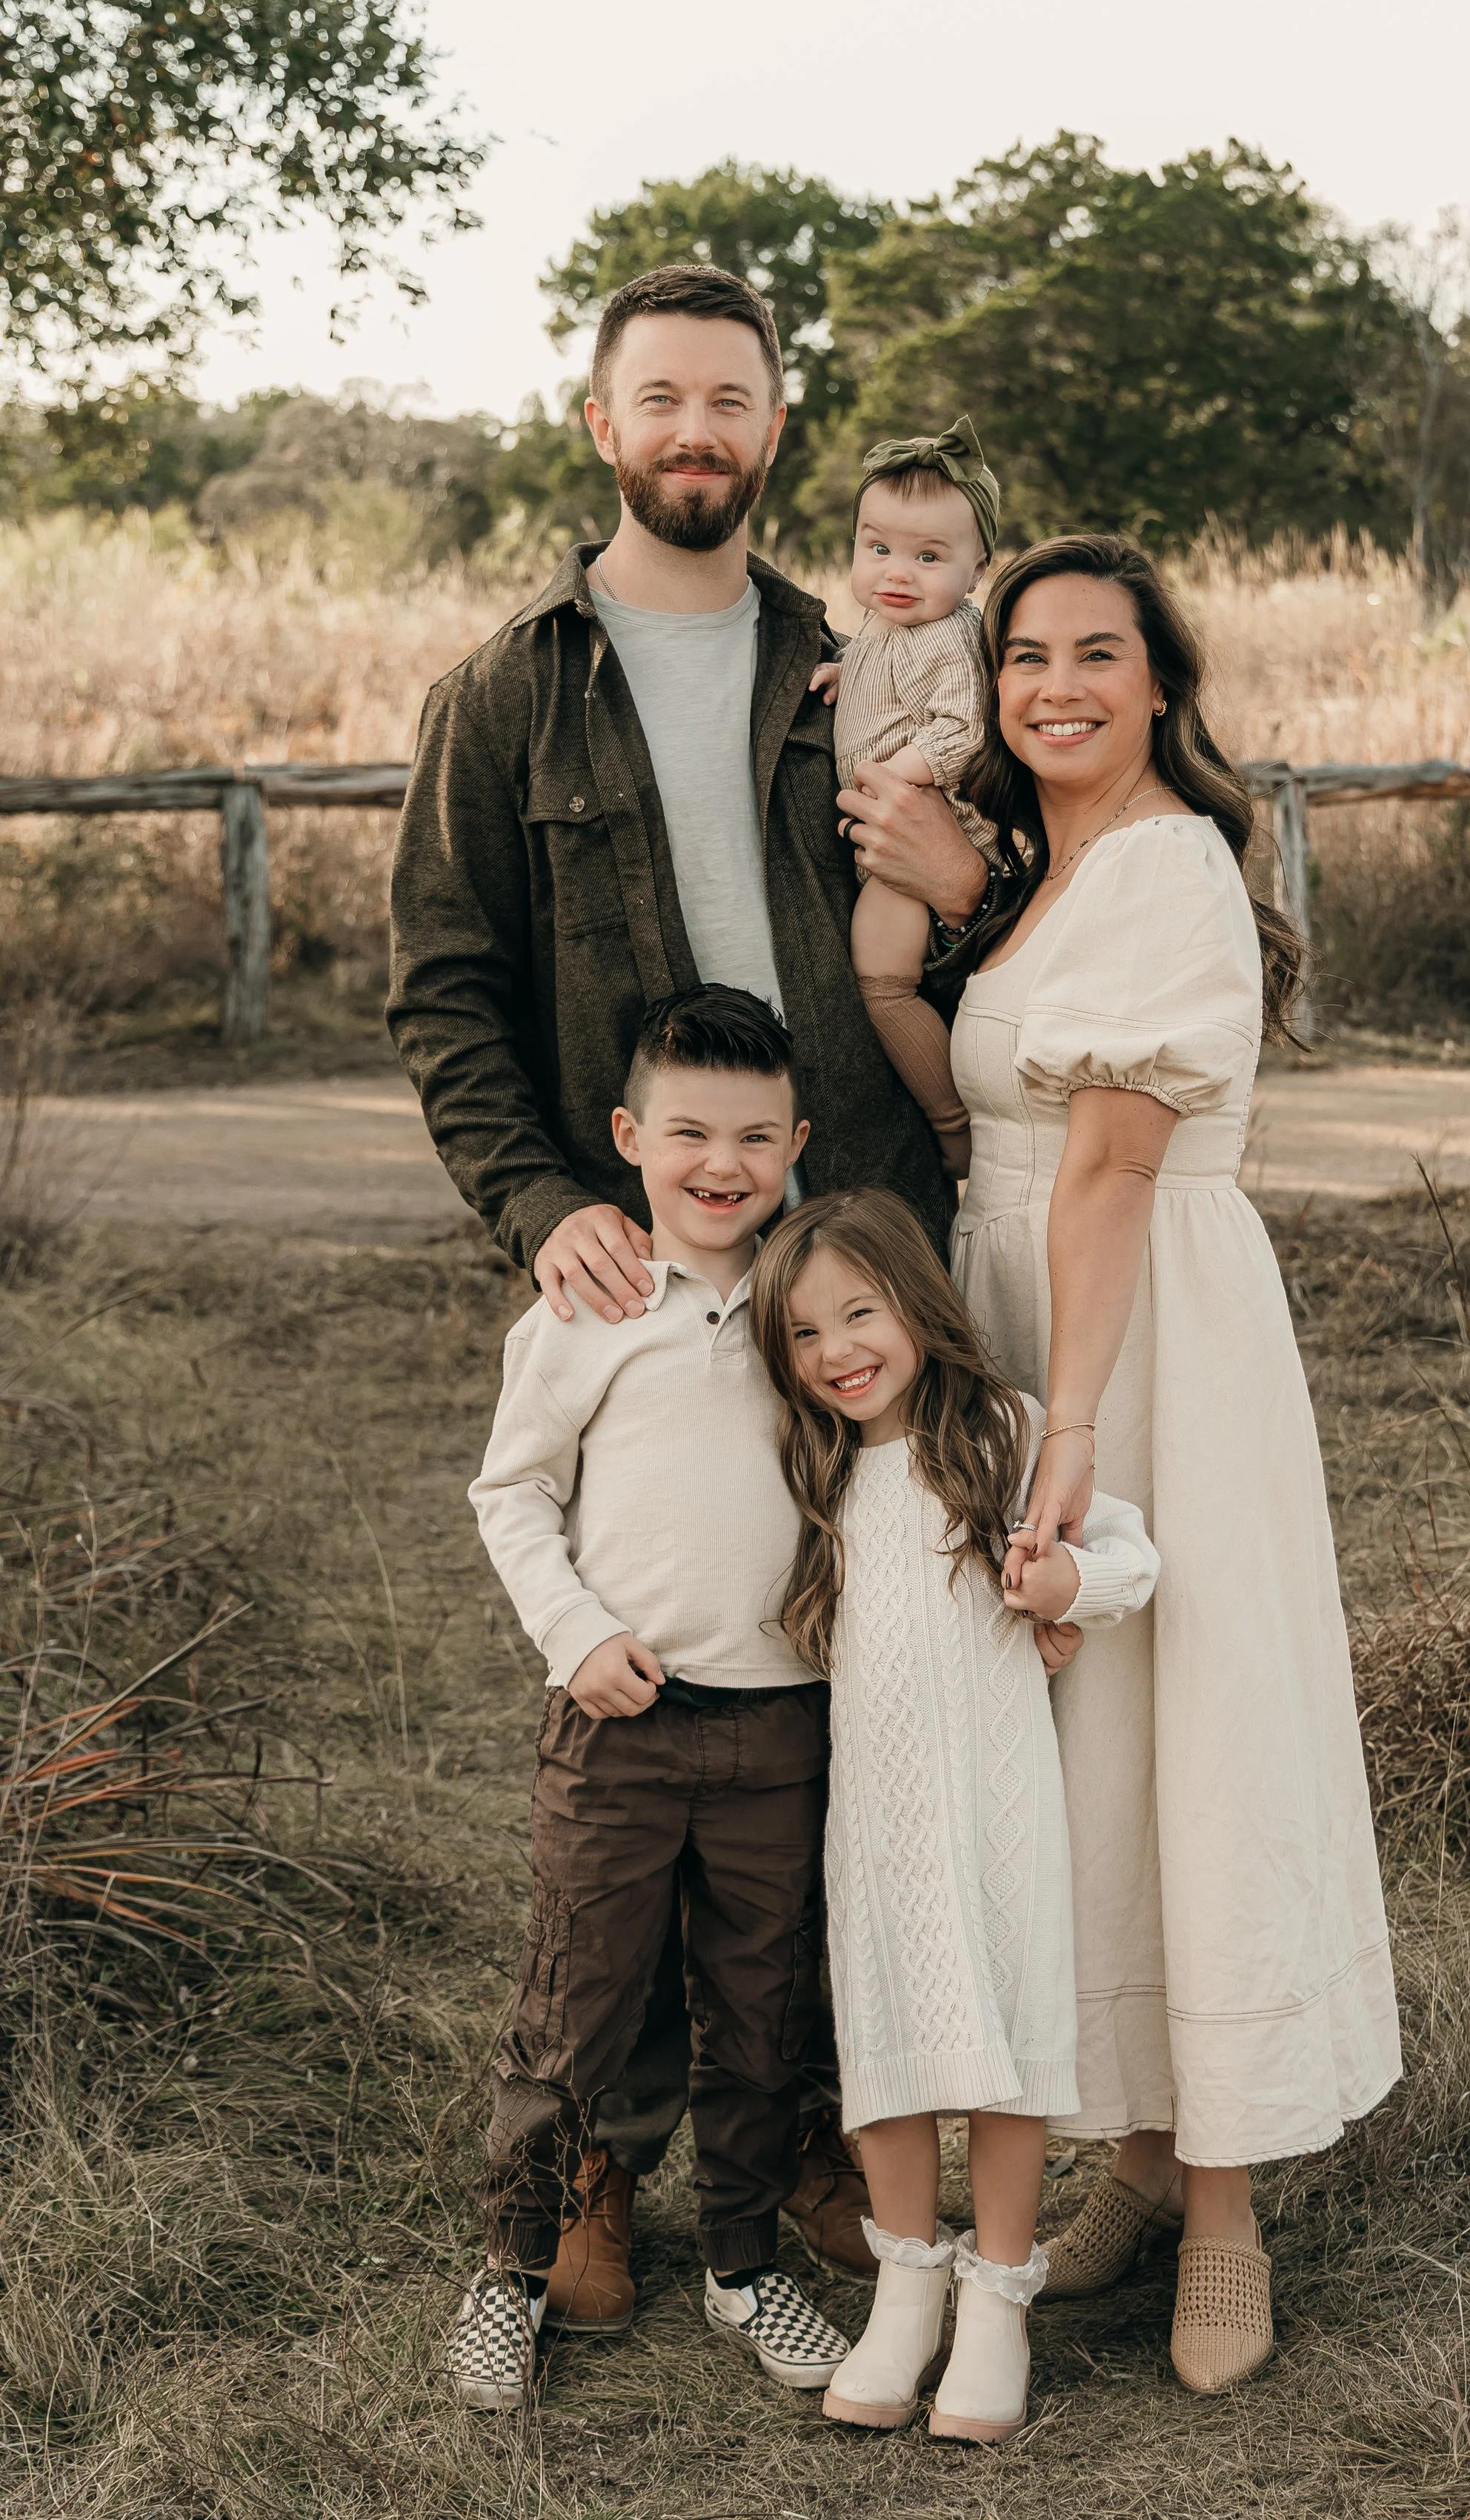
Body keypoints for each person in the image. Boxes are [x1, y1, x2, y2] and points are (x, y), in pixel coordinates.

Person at [388, 262, 994, 2304]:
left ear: (771, 428)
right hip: (646, 1254)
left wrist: (972, 872)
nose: (696, 430)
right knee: (631, 1710)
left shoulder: (864, 658)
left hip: (852, 1258)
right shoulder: (507, 690)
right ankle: (597, 2153)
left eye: (729, 399)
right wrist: (535, 1194)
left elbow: (991, 904)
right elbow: (443, 984)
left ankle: (817, 2131)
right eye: (661, 397)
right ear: (602, 424)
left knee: (837, 1701)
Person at [943, 534, 1403, 2395]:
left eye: (1097, 653)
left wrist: (1071, 1424)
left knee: (1188, 1727)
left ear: (1160, 685)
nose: (1056, 682)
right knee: (1082, 1759)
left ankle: (1224, 2200)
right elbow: (981, 1106)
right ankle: (1132, 2151)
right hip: (1027, 1313)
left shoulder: (1165, 862)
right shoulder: (1042, 878)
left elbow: (1114, 1159)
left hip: (1147, 1350)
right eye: (1024, 654)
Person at [445, 987, 853, 2413]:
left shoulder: (813, 1310)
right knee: (577, 2001)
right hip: (619, 1719)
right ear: (629, 1138)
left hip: (779, 1724)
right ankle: (513, 2265)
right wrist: (575, 1635)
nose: (720, 1164)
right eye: (687, 1132)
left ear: (796, 1140)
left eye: (753, 1135)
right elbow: (512, 1494)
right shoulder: (586, 1309)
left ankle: (744, 2258)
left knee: (760, 2002)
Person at [749, 1191, 1159, 2443]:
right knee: (888, 2044)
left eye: (860, 1314)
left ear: (919, 1306)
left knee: (1001, 2045)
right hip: (874, 1817)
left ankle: (997, 2298)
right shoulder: (812, 1469)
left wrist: (1063, 1584)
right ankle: (909, 2286)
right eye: (806, 1336)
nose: (838, 1353)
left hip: (997, 1812)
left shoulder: (1007, 1432)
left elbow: (1136, 1562)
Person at [816, 417, 1000, 1178]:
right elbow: (884, 666)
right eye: (877, 548)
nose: (896, 572)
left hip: (932, 825)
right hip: (893, 828)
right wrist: (844, 666)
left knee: (881, 984)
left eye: (928, 557)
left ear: (976, 570)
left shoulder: (952, 636)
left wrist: (901, 778)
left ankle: (952, 1124)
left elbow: (963, 729)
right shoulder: (891, 621)